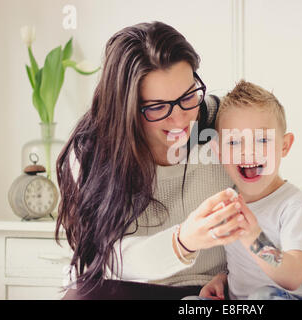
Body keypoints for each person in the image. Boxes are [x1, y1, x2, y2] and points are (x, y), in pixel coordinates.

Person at [55, 21, 248, 300]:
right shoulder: (89, 153)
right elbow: (105, 260)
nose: (181, 118)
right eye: (157, 107)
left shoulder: (227, 122)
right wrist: (182, 241)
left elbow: (270, 212)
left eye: (188, 96)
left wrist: (236, 276)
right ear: (125, 107)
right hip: (125, 288)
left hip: (210, 292)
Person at [196, 80, 302, 300]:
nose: (248, 152)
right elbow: (250, 270)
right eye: (234, 142)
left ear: (284, 146)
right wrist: (223, 280)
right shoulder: (229, 205)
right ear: (218, 151)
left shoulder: (296, 208)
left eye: (262, 139)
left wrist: (254, 237)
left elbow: (291, 277)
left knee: (263, 296)